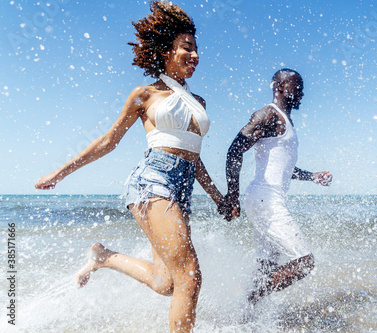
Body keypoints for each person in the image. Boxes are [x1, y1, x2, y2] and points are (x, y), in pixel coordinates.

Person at [34, 2, 234, 332]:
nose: (195, 55)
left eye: (197, 49)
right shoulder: (145, 94)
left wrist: (217, 197)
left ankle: (103, 258)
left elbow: (194, 158)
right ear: (167, 50)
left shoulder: (199, 102)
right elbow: (108, 141)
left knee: (166, 282)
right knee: (190, 276)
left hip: (181, 188)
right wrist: (60, 172)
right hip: (152, 180)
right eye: (187, 47)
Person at [218, 68, 332, 308]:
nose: (301, 92)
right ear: (278, 87)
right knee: (304, 261)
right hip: (265, 201)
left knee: (267, 266)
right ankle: (249, 298)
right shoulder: (268, 115)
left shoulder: (285, 121)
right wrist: (232, 196)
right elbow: (234, 150)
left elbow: (283, 167)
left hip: (263, 200)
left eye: (302, 87)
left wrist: (312, 176)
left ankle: (245, 321)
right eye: (296, 86)